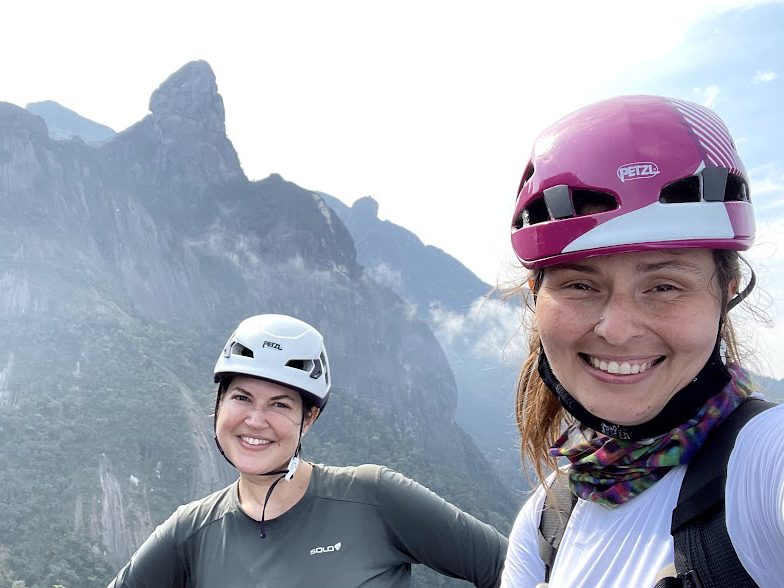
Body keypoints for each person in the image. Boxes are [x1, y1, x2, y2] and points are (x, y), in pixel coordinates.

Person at [500, 95, 784, 587]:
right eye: (580, 285)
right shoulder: (547, 519)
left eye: (664, 286)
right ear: (536, 297)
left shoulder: (766, 461)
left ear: (726, 293)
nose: (617, 328)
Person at [107, 313, 508, 587]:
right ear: (219, 403)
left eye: (280, 404)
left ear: (308, 418)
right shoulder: (191, 532)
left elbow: (509, 568)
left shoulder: (374, 498)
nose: (255, 420)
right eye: (242, 397)